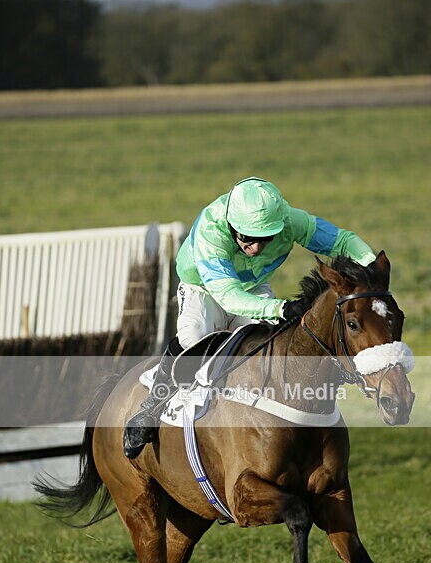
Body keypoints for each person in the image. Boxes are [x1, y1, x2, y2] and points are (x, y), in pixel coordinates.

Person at [123, 177, 376, 458]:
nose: (255, 248)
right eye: (246, 237)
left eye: (265, 238)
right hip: (205, 289)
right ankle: (150, 407)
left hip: (253, 287)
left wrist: (371, 266)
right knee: (194, 339)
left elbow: (342, 241)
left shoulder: (291, 220)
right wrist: (278, 309)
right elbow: (228, 297)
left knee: (270, 347)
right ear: (231, 226)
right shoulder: (212, 229)